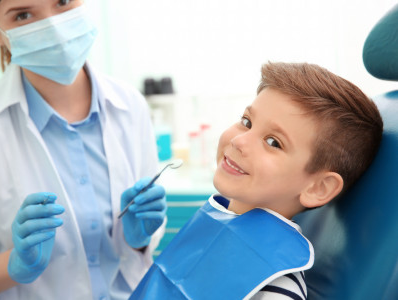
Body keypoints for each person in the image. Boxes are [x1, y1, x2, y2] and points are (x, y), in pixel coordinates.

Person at [0, 1, 167, 299]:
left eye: (62, 1)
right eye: (23, 15)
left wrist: (140, 238)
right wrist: (12, 266)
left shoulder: (131, 106)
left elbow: (146, 238)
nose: (53, 26)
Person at [130, 62, 383, 299]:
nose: (239, 140)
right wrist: (136, 245)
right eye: (246, 122)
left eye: (273, 142)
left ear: (317, 187)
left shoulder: (274, 287)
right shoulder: (214, 222)